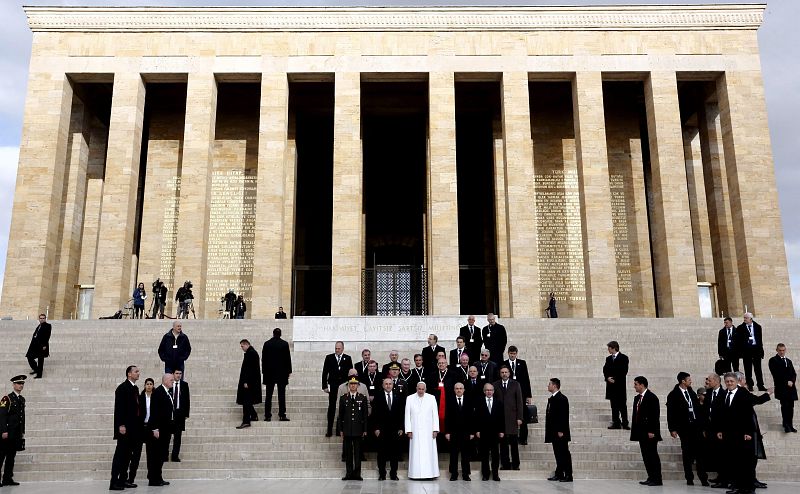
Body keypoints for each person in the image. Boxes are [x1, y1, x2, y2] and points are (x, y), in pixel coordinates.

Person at [666, 372, 708, 486]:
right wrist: (672, 429)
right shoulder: (673, 395)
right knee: (687, 453)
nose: (691, 381)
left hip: (696, 426)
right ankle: (689, 478)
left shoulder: (692, 392)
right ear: (683, 381)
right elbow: (670, 413)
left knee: (700, 453)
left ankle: (703, 478)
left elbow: (697, 409)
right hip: (684, 428)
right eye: (689, 379)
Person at [110, 366, 141, 490]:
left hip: (133, 429)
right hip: (125, 429)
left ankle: (123, 480)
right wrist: (121, 425)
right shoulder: (122, 388)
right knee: (120, 456)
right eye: (136, 371)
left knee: (127, 456)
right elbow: (119, 409)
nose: (138, 373)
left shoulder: (135, 388)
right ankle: (114, 482)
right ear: (129, 374)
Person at [631, 376, 662, 486]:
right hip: (641, 433)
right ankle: (651, 477)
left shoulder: (652, 397)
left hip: (650, 433)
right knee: (646, 456)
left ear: (642, 385)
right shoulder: (637, 398)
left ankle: (657, 478)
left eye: (636, 384)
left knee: (652, 455)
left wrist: (652, 431)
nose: (634, 386)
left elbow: (655, 416)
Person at [371, 378, 404, 481]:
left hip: (395, 430)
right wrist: (376, 428)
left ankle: (394, 474)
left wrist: (401, 427)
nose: (388, 386)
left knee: (394, 453)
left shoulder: (398, 396)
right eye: (386, 384)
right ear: (383, 385)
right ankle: (382, 474)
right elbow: (374, 414)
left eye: (390, 384)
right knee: (381, 453)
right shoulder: (378, 396)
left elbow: (401, 413)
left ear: (392, 385)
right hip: (382, 430)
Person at [405, 382, 439, 479]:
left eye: (422, 389)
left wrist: (435, 429)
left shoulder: (431, 398)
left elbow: (435, 415)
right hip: (415, 430)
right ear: (416, 388)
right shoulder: (410, 398)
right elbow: (407, 415)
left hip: (428, 431)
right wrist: (409, 430)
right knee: (415, 452)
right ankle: (415, 474)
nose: (420, 391)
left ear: (425, 389)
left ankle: (430, 474)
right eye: (419, 389)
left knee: (429, 452)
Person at [338, 377, 368, 481]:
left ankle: (357, 474)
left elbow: (365, 416)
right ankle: (349, 473)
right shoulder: (343, 398)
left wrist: (365, 430)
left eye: (355, 384)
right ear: (348, 385)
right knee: (348, 453)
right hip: (347, 430)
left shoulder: (362, 398)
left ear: (357, 385)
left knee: (358, 453)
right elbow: (340, 416)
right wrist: (340, 430)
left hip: (358, 430)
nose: (353, 386)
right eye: (351, 384)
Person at [493, 366, 523, 471]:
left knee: (514, 443)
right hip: (500, 419)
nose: (504, 374)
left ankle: (516, 464)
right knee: (503, 443)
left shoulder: (516, 384)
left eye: (506, 372)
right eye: (502, 372)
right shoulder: (495, 384)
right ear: (500, 374)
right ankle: (505, 464)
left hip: (512, 418)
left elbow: (519, 401)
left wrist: (519, 417)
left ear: (509, 373)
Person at [147, 373, 174, 487]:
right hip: (159, 430)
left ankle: (159, 477)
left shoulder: (167, 392)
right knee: (156, 455)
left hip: (166, 429)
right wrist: (155, 428)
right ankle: (153, 479)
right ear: (166, 380)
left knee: (162, 454)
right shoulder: (158, 392)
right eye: (171, 380)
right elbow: (155, 412)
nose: (173, 381)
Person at [444, 382, 474, 481]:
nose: (459, 390)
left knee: (465, 454)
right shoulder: (450, 400)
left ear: (464, 390)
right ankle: (454, 474)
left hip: (465, 432)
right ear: (454, 390)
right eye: (457, 388)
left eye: (461, 388)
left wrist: (471, 432)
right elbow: (447, 417)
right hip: (454, 432)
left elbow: (472, 418)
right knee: (453, 454)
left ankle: (466, 474)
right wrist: (447, 432)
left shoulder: (469, 400)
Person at [0, 375, 26, 487]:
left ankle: (7, 479)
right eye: (18, 383)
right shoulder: (7, 399)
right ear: (14, 384)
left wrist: (22, 431)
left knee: (11, 457)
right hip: (7, 433)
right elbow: (1, 416)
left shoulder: (21, 399)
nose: (21, 385)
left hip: (16, 434)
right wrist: (3, 431)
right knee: (1, 456)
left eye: (22, 383)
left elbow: (22, 417)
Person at [322, 341, 353, 437]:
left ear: (343, 348)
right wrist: (324, 386)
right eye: (336, 348)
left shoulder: (347, 358)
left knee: (345, 406)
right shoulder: (329, 357)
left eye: (339, 348)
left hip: (344, 386)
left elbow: (350, 373)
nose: (337, 350)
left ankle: (343, 429)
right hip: (333, 385)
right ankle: (329, 429)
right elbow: (325, 372)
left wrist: (350, 385)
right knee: (331, 406)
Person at [128, 377, 154, 488]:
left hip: (150, 428)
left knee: (151, 455)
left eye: (151, 384)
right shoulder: (140, 397)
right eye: (147, 384)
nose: (149, 386)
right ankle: (131, 478)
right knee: (136, 455)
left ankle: (152, 478)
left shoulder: (156, 397)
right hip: (140, 428)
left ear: (153, 386)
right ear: (144, 386)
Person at [545, 378, 572, 482]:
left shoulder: (561, 398)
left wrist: (561, 430)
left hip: (560, 432)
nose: (548, 386)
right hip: (554, 431)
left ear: (555, 386)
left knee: (564, 453)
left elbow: (563, 416)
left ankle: (568, 475)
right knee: (558, 453)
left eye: (549, 384)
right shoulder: (553, 398)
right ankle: (559, 473)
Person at [475, 382, 504, 481]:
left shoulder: (498, 402)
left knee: (495, 455)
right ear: (484, 391)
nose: (489, 392)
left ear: (493, 391)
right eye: (487, 390)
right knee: (484, 455)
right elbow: (476, 418)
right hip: (483, 432)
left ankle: (495, 474)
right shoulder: (479, 402)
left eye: (491, 390)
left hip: (495, 432)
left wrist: (501, 430)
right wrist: (477, 430)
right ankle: (485, 474)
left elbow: (502, 418)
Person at [262, 328, 292, 422]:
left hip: (269, 373)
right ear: (280, 334)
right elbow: (288, 358)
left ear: (273, 334)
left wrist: (264, 372)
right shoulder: (284, 344)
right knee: (281, 395)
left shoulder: (267, 344)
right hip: (282, 374)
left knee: (268, 395)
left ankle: (267, 415)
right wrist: (289, 371)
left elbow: (263, 359)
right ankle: (282, 415)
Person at [504, 346, 532, 445]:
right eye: (511, 353)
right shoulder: (505, 364)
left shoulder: (522, 363)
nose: (512, 355)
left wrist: (529, 395)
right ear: (508, 353)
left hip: (521, 393)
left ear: (516, 353)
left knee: (522, 414)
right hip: (509, 393)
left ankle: (523, 437)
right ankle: (509, 436)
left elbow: (526, 379)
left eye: (514, 353)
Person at [768, 343, 797, 432]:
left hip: (791, 388)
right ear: (777, 350)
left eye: (783, 350)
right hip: (782, 388)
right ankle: (786, 425)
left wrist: (792, 381)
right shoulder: (773, 360)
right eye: (780, 350)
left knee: (791, 407)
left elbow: (793, 373)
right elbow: (776, 374)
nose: (782, 352)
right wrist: (786, 382)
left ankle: (790, 424)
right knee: (784, 406)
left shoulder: (788, 361)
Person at [604, 340, 630, 429]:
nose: (608, 350)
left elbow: (624, 371)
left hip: (620, 386)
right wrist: (607, 378)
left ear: (614, 348)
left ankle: (625, 422)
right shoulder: (608, 359)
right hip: (611, 386)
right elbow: (605, 370)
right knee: (614, 405)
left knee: (622, 405)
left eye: (609, 348)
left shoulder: (624, 358)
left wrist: (615, 380)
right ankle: (616, 422)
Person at [736, 312, 765, 391]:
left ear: (751, 319)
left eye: (746, 318)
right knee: (748, 369)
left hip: (756, 350)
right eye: (744, 318)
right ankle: (750, 385)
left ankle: (760, 385)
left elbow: (760, 340)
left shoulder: (758, 327)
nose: (744, 319)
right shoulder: (740, 328)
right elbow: (738, 341)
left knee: (758, 369)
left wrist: (761, 351)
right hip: (746, 351)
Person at [236, 339, 261, 428]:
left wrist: (246, 381)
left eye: (242, 346)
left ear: (246, 344)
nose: (242, 348)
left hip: (249, 383)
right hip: (251, 382)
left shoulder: (251, 353)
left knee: (246, 401)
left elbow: (250, 370)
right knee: (247, 401)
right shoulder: (252, 353)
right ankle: (253, 415)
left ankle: (246, 421)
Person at [169, 369, 190, 462]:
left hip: (180, 414)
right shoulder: (169, 384)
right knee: (167, 435)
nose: (178, 375)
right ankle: (165, 454)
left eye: (180, 373)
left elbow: (187, 400)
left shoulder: (185, 385)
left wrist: (186, 414)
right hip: (169, 414)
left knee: (178, 437)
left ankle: (175, 456)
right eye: (177, 373)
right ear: (173, 374)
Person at [25, 313, 51, 379]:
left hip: (42, 346)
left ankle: (39, 375)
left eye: (43, 318)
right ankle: (36, 369)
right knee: (29, 357)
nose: (42, 319)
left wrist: (44, 345)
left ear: (45, 319)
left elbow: (47, 336)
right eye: (41, 318)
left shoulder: (48, 325)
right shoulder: (39, 326)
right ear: (39, 319)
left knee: (40, 360)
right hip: (34, 345)